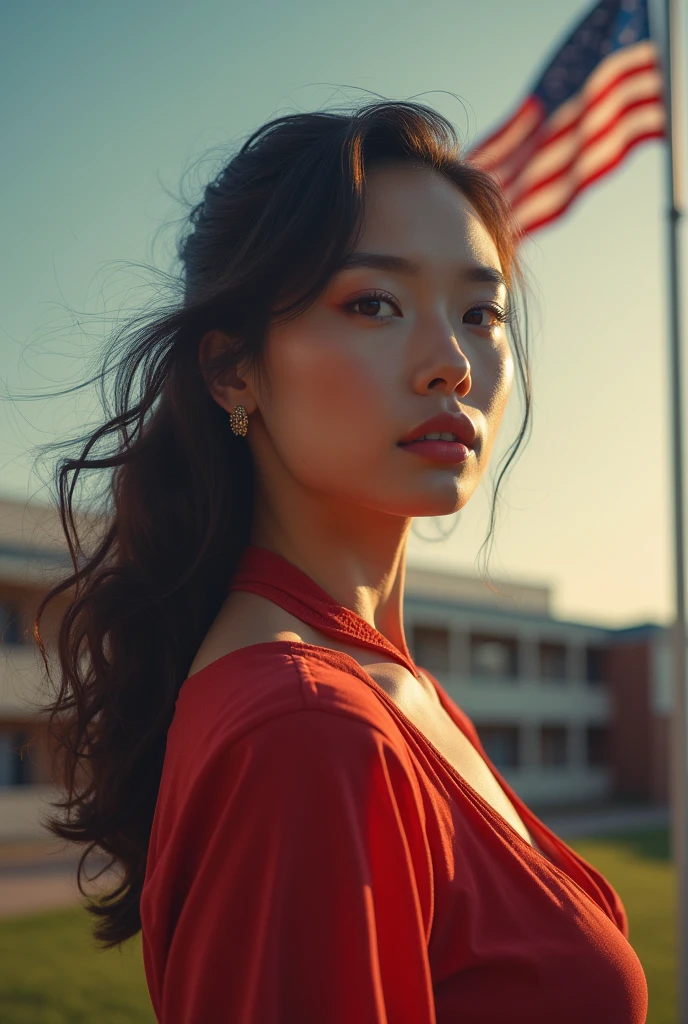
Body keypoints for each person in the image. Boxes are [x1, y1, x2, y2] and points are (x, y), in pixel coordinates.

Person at [36, 100, 648, 1022]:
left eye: (482, 311)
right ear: (232, 371)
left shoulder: (383, 686)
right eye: (373, 303)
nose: (451, 362)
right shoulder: (309, 728)